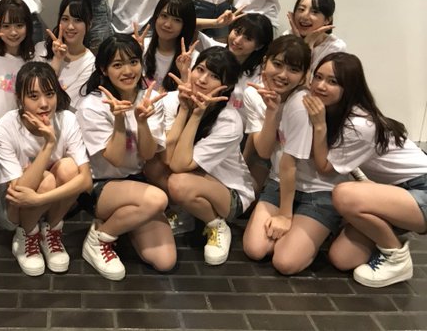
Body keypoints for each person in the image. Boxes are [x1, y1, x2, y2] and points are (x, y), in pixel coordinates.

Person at [303, 53, 427, 287]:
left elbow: (325, 167)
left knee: (344, 195)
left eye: (332, 81)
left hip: (421, 189)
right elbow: (352, 162)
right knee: (342, 258)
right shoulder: (336, 111)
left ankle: (397, 257)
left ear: (349, 87)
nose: (320, 86)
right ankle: (389, 229)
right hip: (397, 191)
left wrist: (318, 125)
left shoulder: (359, 124)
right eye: (318, 77)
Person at [242, 35, 347, 275]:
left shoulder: (301, 103)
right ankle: (301, 231)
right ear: (265, 62)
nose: (283, 74)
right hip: (279, 183)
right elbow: (264, 151)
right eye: (277, 64)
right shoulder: (255, 94)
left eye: (293, 69)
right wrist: (272, 112)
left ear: (303, 75)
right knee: (255, 249)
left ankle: (326, 225)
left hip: (316, 190)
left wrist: (285, 216)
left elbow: (289, 164)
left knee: (285, 262)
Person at [77, 34, 177, 280]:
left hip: (136, 181)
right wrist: (119, 119)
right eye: (117, 65)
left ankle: (122, 223)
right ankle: (99, 239)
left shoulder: (150, 99)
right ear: (104, 69)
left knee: (165, 260)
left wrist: (142, 121)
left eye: (133, 62)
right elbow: (116, 159)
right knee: (157, 199)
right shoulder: (92, 105)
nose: (128, 71)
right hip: (100, 185)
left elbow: (147, 154)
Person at [0, 62, 92, 276]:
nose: (44, 104)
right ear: (19, 98)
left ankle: (51, 230)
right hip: (12, 208)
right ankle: (27, 234)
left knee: (68, 168)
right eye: (34, 96)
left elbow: (86, 181)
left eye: (49, 94)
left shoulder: (67, 120)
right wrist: (48, 145)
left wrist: (39, 200)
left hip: (41, 201)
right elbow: (18, 193)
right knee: (46, 179)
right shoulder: (5, 127)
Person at [162, 48, 254, 265]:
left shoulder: (229, 122)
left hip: (229, 192)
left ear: (227, 86)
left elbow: (178, 165)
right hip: (195, 176)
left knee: (178, 183)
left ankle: (217, 225)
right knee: (153, 165)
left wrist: (195, 114)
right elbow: (167, 157)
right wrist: (184, 109)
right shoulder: (173, 100)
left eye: (214, 76)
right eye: (200, 69)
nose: (202, 80)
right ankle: (186, 213)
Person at [36, 0, 95, 109]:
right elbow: (31, 94)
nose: (70, 26)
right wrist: (57, 59)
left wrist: (57, 60)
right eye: (65, 19)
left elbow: (64, 103)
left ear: (89, 24)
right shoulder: (40, 49)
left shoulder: (90, 64)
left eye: (78, 20)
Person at [141, 0, 197, 92]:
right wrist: (135, 54)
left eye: (177, 20)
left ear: (185, 25)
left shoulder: (192, 59)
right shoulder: (142, 46)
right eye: (164, 16)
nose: (167, 24)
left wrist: (184, 74)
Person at [286, 0, 346, 80]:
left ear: (327, 20)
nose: (304, 16)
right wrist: (299, 43)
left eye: (314, 12)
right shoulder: (287, 37)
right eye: (301, 9)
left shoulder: (335, 47)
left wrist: (308, 46)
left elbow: (311, 84)